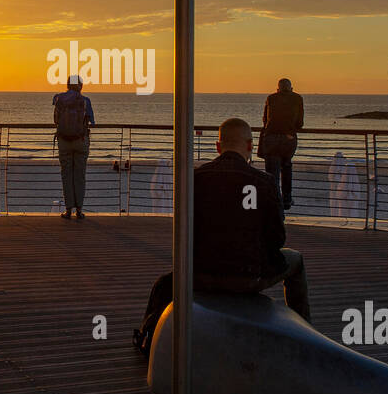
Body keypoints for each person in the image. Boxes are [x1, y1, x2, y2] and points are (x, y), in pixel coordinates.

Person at [133, 117, 310, 356]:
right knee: (296, 261)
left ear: (218, 147)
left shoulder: (195, 179)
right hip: (248, 277)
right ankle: (305, 335)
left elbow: (184, 232)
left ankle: (148, 340)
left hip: (200, 275)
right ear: (250, 146)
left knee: (163, 284)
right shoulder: (265, 182)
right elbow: (277, 238)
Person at [52, 74, 95, 219]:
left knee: (66, 175)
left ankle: (68, 210)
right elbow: (91, 121)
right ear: (81, 86)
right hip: (80, 141)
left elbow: (56, 120)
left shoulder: (59, 99)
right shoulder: (85, 101)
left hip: (64, 141)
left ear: (68, 85)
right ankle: (79, 210)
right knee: (80, 175)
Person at [259, 77, 304, 211]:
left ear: (277, 89)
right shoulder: (297, 98)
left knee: (272, 174)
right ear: (291, 88)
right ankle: (287, 199)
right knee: (287, 167)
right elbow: (300, 123)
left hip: (271, 138)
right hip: (288, 139)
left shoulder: (271, 98)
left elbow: (265, 120)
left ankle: (273, 202)